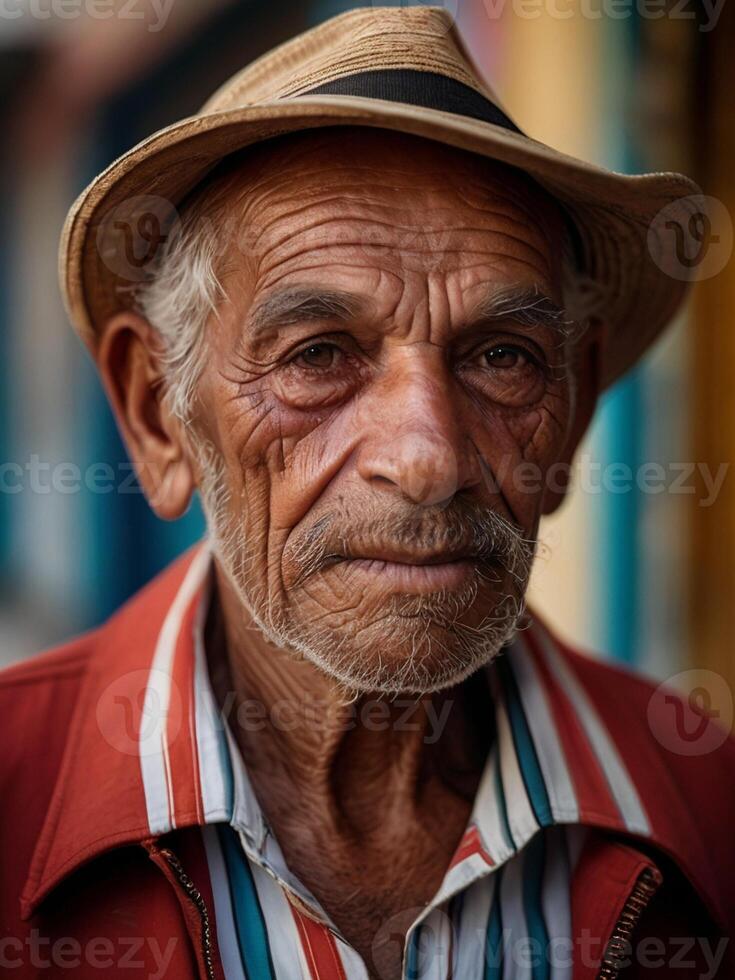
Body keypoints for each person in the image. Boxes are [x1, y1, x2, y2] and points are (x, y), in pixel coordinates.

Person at [1, 7, 732, 978]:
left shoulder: (706, 803)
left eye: (503, 356)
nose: (428, 457)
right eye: (318, 356)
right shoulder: (15, 790)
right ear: (155, 414)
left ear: (575, 407)